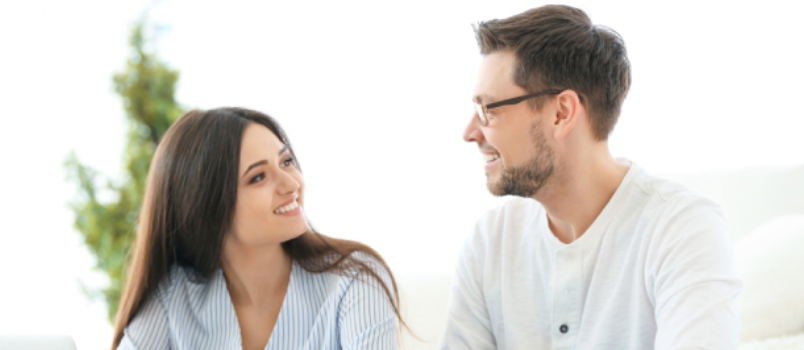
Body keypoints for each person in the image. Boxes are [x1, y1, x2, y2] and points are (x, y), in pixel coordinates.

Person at [443, 5, 742, 349]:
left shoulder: (682, 230)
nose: (470, 132)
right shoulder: (490, 242)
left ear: (562, 113)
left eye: (487, 110)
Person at [112, 107, 400, 350]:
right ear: (208, 206)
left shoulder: (354, 280)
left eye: (286, 161)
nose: (292, 184)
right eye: (259, 177)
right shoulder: (173, 298)